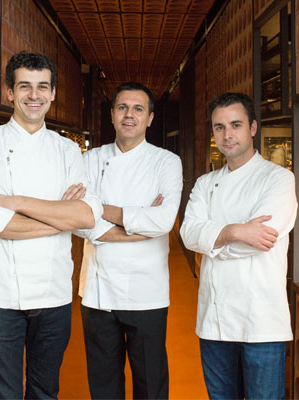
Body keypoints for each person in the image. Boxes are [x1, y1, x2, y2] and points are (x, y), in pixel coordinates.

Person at [0, 52, 102, 399]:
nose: (34, 95)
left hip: (53, 293)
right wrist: (60, 218)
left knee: (45, 392)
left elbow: (86, 216)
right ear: (10, 92)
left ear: (53, 93)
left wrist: (19, 203)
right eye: (24, 86)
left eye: (42, 87)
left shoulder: (68, 151)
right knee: (1, 395)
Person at [180, 92, 297, 399]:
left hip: (262, 320)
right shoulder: (205, 183)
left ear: (253, 128)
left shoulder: (279, 178)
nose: (227, 135)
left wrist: (212, 242)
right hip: (215, 321)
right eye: (219, 127)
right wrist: (235, 230)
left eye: (235, 125)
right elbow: (189, 234)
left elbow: (264, 238)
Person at [79, 82, 183, 399]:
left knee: (151, 385)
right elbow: (76, 218)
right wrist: (139, 222)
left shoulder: (167, 162)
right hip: (98, 292)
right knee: (104, 385)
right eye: (122, 107)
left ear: (149, 118)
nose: (129, 115)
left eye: (138, 109)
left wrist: (100, 210)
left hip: (147, 291)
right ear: (112, 114)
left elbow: (163, 220)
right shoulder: (89, 160)